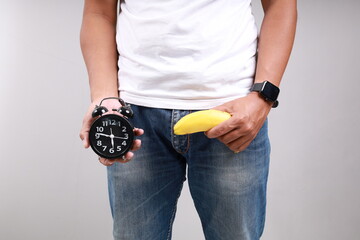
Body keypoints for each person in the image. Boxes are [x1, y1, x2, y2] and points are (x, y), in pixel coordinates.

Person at [79, 0, 297, 239]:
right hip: (135, 115)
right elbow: (99, 12)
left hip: (231, 114)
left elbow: (281, 4)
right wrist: (104, 98)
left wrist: (262, 98)